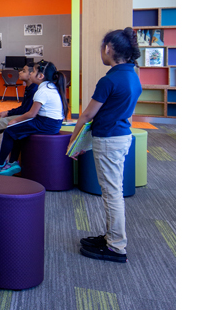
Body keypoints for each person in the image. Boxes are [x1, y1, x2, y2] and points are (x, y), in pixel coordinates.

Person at [76, 28, 144, 263]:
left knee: (112, 193)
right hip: (121, 137)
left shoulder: (110, 80)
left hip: (109, 141)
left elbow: (86, 116)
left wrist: (74, 143)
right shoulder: (133, 76)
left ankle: (116, 246)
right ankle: (111, 236)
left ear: (108, 49)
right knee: (111, 191)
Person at [0, 59, 65, 175]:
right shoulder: (50, 87)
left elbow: (31, 114)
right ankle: (13, 163)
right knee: (17, 132)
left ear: (40, 76)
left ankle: (0, 163)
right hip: (52, 123)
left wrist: (15, 120)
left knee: (10, 131)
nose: (30, 74)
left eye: (32, 71)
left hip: (46, 123)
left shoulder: (42, 91)